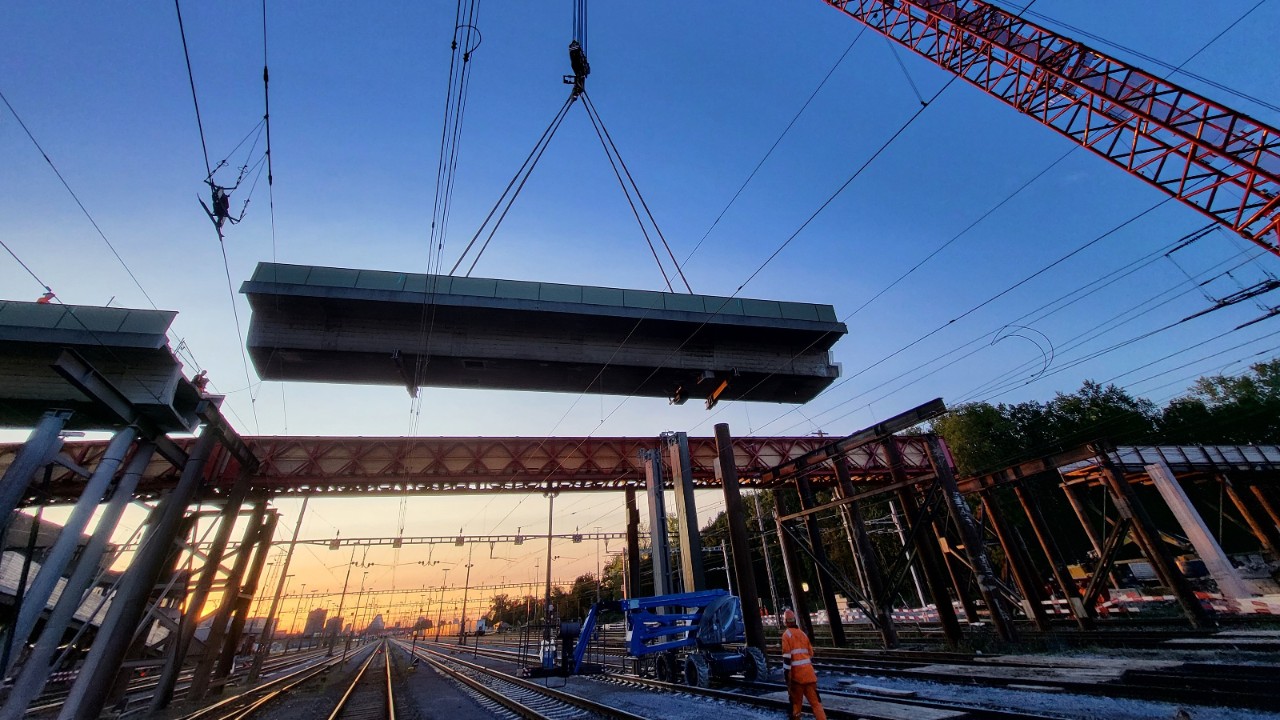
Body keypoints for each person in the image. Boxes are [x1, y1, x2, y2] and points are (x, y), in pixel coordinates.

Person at [780, 608, 826, 720]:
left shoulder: (786, 636)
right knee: (816, 704)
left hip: (797, 678)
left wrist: (787, 677)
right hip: (809, 675)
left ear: (785, 622)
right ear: (794, 620)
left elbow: (787, 660)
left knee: (796, 705)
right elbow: (811, 653)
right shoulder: (803, 634)